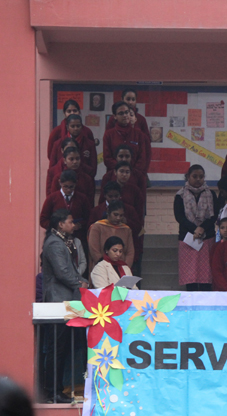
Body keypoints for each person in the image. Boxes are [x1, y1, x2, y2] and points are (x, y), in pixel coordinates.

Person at [40, 209, 89, 404]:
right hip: (58, 301)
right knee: (57, 348)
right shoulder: (54, 243)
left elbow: (69, 271)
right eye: (70, 221)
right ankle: (52, 392)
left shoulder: (61, 242)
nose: (73, 225)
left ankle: (58, 390)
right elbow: (62, 272)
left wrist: (82, 281)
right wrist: (80, 283)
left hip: (66, 301)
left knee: (63, 347)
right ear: (60, 224)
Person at [174, 165, 217, 291]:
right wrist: (195, 229)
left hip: (207, 238)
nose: (198, 179)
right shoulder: (180, 195)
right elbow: (179, 217)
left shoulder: (211, 194)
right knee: (190, 277)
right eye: (195, 176)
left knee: (206, 277)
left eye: (201, 177)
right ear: (188, 177)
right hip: (188, 239)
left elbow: (214, 215)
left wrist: (202, 228)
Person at [106, 89, 151, 172]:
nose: (130, 102)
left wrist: (134, 126)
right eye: (128, 99)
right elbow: (107, 155)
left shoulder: (141, 120)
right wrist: (121, 169)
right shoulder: (112, 122)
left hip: (136, 170)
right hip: (115, 171)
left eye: (133, 99)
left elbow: (146, 145)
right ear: (122, 99)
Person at [40, 170, 91, 243]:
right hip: (56, 238)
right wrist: (58, 227)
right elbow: (43, 220)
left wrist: (79, 225)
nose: (68, 190)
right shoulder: (52, 198)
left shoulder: (82, 198)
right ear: (60, 183)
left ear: (76, 183)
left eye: (71, 187)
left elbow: (88, 217)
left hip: (77, 237)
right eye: (65, 186)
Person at [87, 200, 135, 270]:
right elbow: (94, 250)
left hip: (121, 268)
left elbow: (130, 252)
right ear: (108, 212)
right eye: (115, 214)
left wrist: (125, 267)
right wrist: (104, 266)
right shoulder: (97, 227)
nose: (118, 218)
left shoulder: (126, 229)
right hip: (101, 268)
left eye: (121, 215)